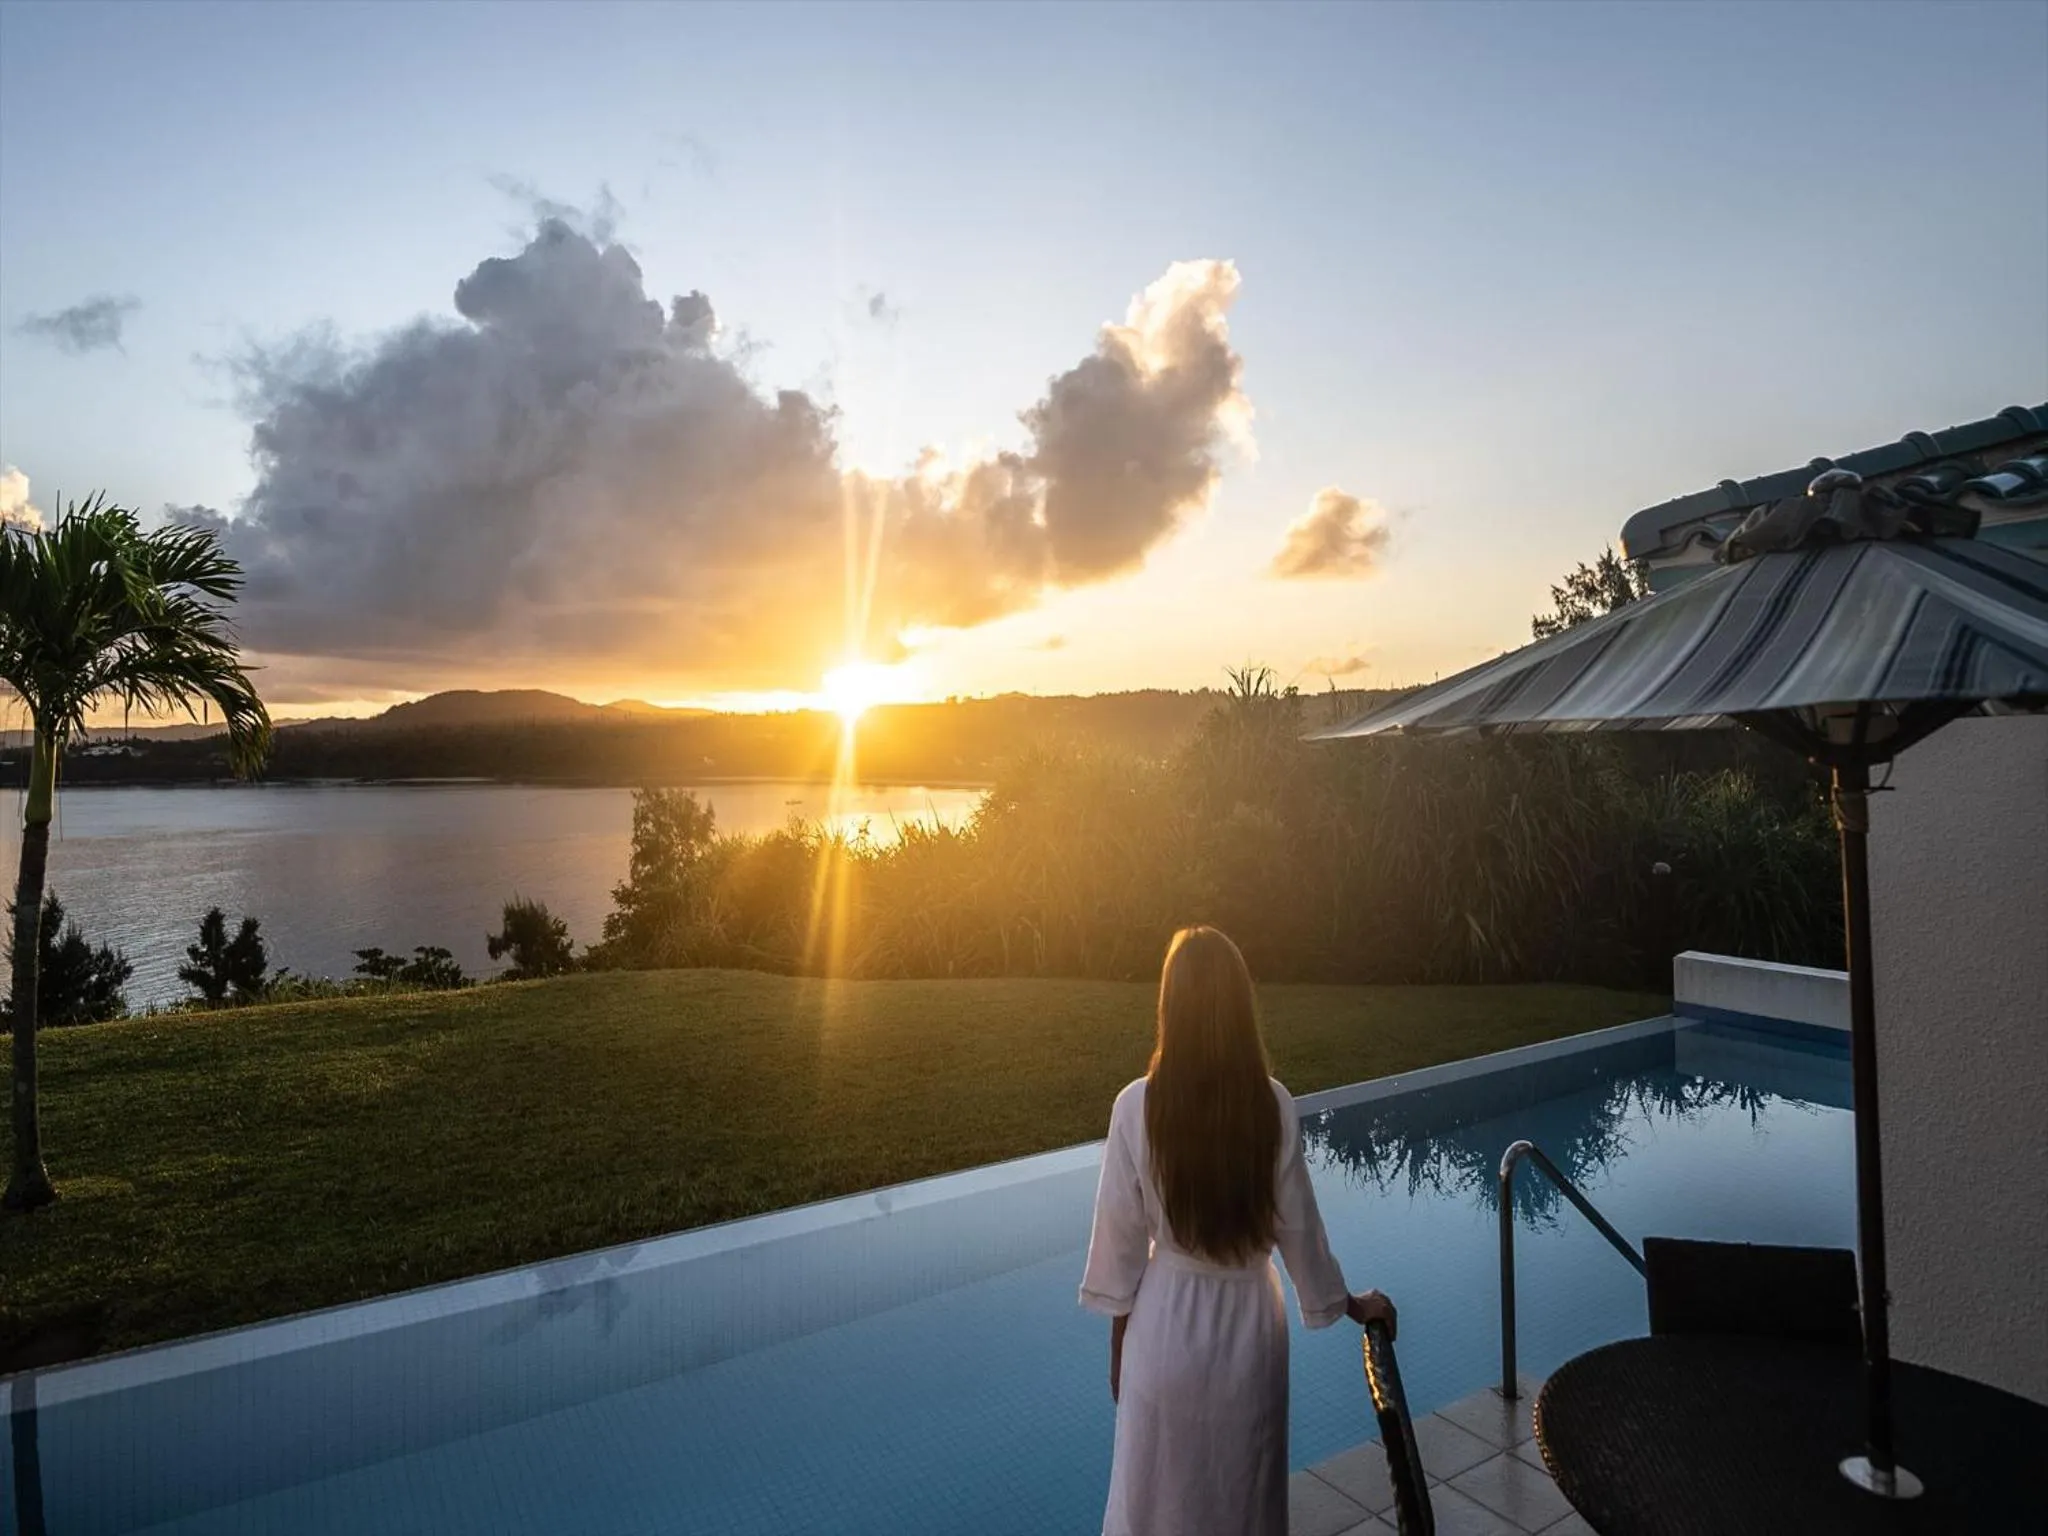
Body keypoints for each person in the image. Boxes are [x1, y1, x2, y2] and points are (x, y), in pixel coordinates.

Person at [1079, 925, 1396, 1536]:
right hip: (1249, 1334)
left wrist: (1123, 1354)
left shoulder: (1135, 1107)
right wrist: (1354, 1305)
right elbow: (1301, 1234)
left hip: (1163, 1334)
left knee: (1155, 1505)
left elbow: (1120, 1257)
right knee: (1241, 1503)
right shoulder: (1271, 1105)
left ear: (1169, 1006)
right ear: (1240, 1006)